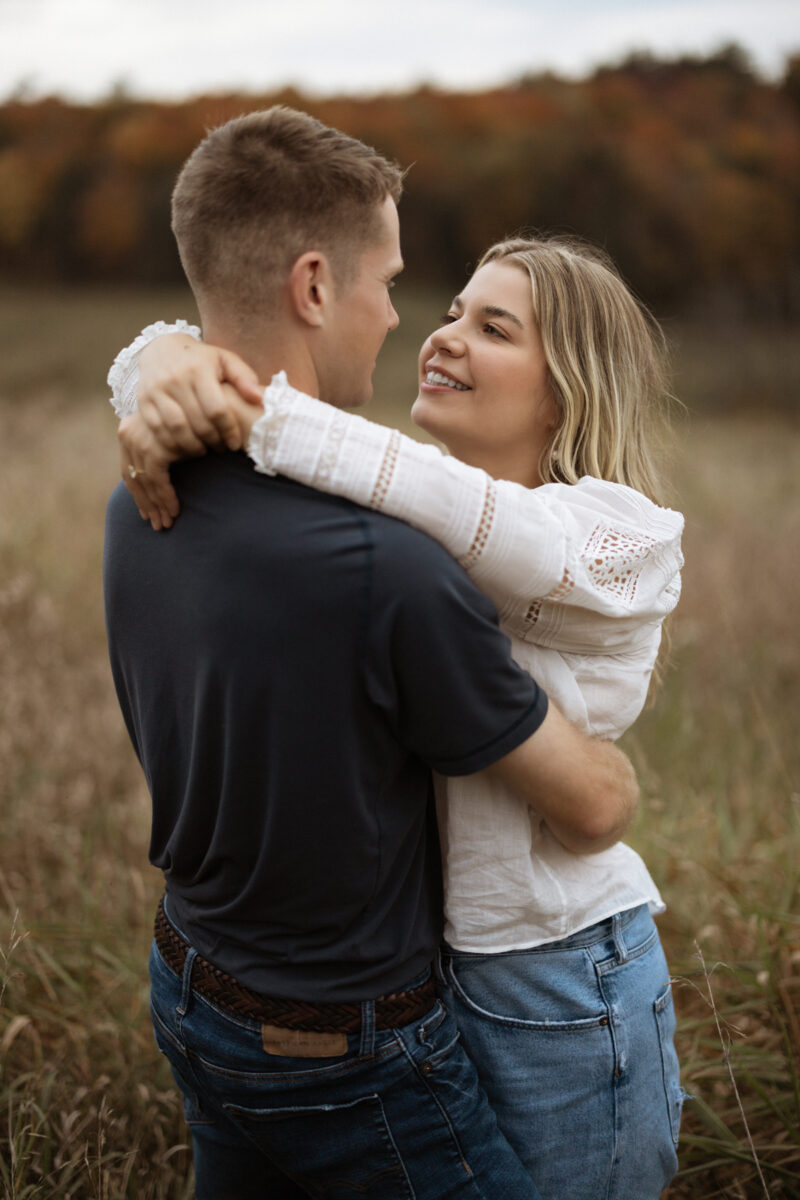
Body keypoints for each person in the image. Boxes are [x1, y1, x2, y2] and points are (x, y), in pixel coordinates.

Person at [103, 106, 641, 1200]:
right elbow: (592, 806)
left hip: (190, 980)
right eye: (393, 283)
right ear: (312, 287)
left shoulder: (142, 495)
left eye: (488, 326)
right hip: (342, 1045)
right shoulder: (387, 570)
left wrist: (165, 359)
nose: (405, 319)